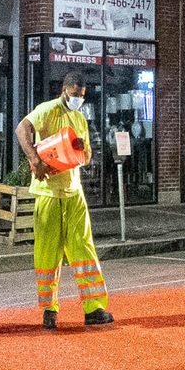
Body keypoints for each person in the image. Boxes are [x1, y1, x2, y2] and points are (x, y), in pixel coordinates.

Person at [17, 72, 113, 329]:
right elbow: (22, 128)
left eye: (81, 96)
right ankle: (49, 310)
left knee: (84, 250)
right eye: (74, 95)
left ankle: (94, 308)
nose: (78, 100)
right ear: (64, 90)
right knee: (48, 252)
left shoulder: (80, 118)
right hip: (48, 192)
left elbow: (87, 156)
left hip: (73, 192)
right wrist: (35, 160)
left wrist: (81, 148)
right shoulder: (46, 110)